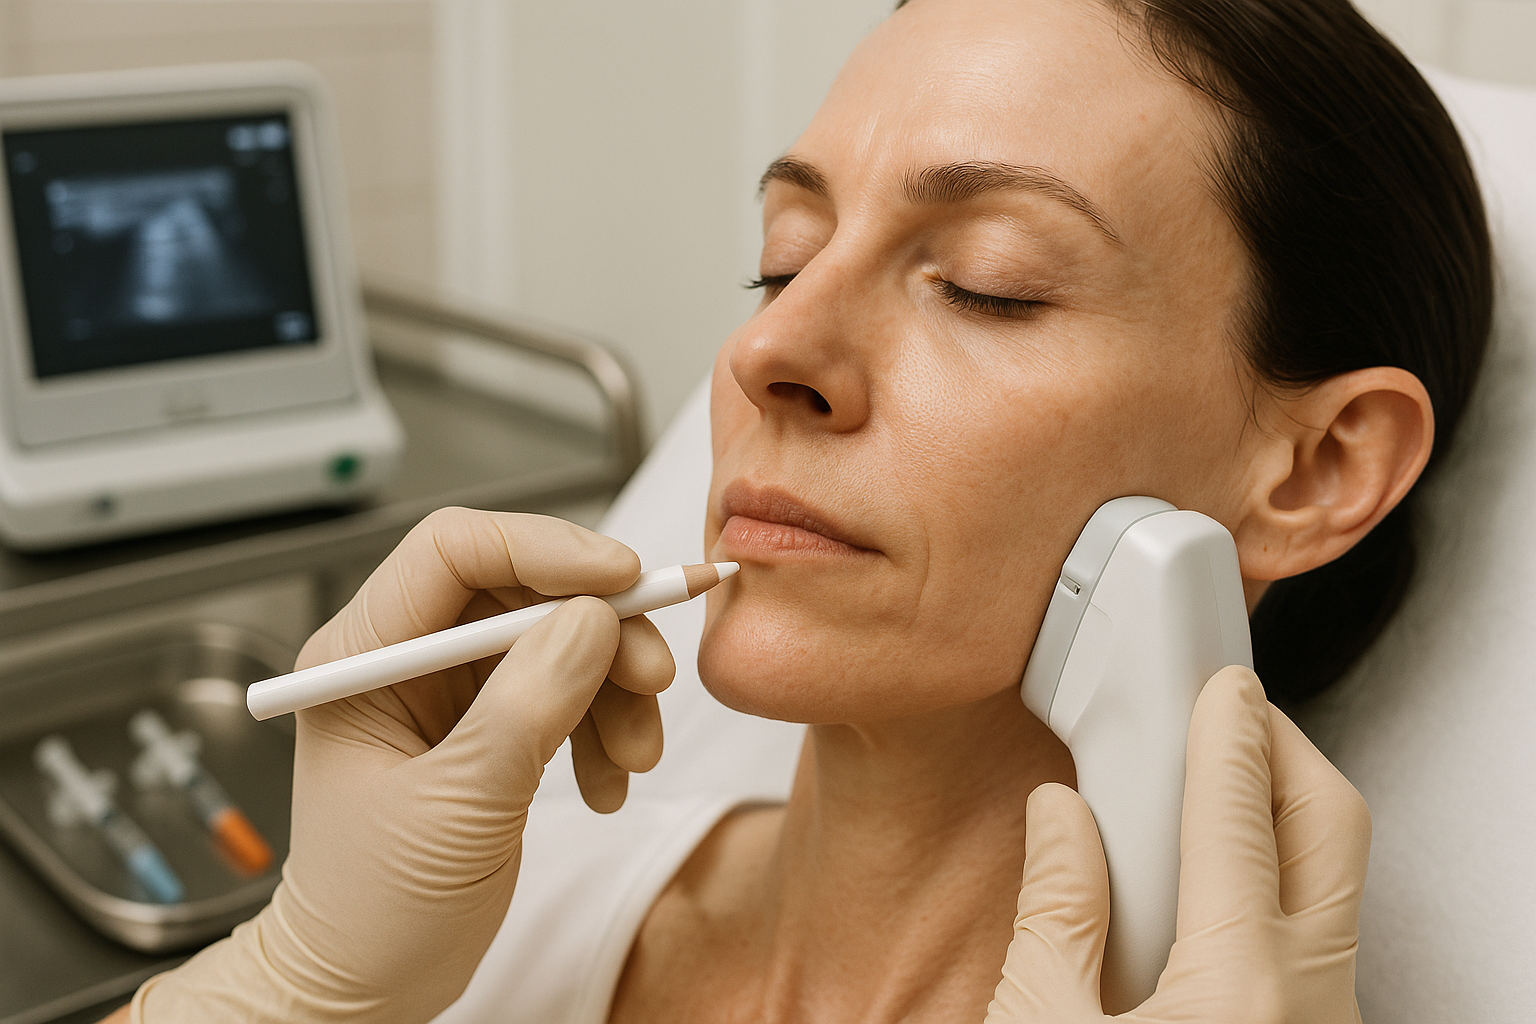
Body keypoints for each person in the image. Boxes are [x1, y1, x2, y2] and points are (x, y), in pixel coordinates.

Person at [111, 0, 1492, 1020]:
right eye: (783, 260)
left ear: (1318, 469)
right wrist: (281, 985)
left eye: (988, 284)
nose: (769, 350)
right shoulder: (497, 909)